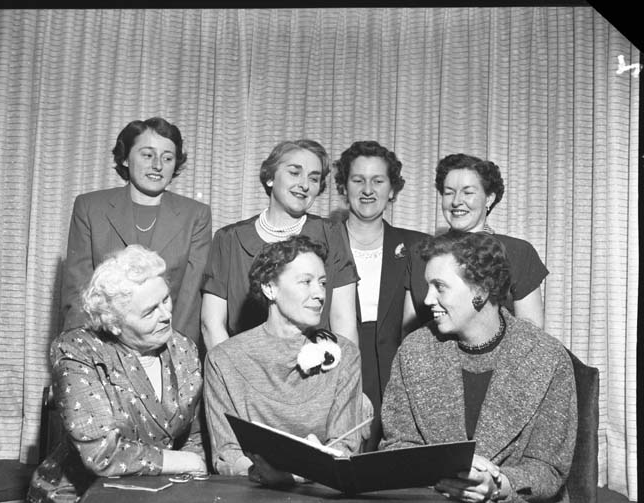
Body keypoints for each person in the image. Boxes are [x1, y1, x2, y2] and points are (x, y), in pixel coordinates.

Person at [381, 230, 576, 503]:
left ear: (481, 291)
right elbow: (397, 445)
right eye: (427, 286)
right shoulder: (414, 351)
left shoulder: (547, 358)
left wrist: (497, 483)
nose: (427, 299)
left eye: (439, 287)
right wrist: (445, 472)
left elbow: (548, 471)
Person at [28, 245, 207, 503]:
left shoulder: (183, 348)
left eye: (165, 299)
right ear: (113, 324)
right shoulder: (77, 350)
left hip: (157, 492)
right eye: (150, 311)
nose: (166, 315)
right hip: (77, 499)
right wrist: (183, 462)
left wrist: (189, 483)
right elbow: (101, 452)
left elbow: (193, 435)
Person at [204, 235, 366, 486]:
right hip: (252, 495)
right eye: (306, 282)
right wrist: (261, 473)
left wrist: (310, 469)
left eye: (323, 283)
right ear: (270, 288)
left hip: (323, 495)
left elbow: (345, 446)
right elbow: (227, 453)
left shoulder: (344, 355)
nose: (319, 294)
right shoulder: (223, 360)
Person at [59, 117, 212, 344]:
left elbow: (189, 301)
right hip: (103, 345)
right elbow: (78, 293)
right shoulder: (90, 207)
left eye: (167, 158)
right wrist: (85, 352)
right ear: (125, 159)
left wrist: (175, 353)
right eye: (147, 155)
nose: (158, 165)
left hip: (166, 345)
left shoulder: (195, 215)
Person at [200, 139, 358, 351]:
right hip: (243, 362)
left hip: (316, 364)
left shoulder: (331, 234)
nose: (304, 185)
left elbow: (344, 323)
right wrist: (235, 369)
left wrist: (341, 369)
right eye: (294, 173)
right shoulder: (229, 238)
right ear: (270, 177)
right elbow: (211, 324)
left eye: (314, 178)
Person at [332, 141, 429, 451]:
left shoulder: (417, 246)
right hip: (335, 367)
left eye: (378, 181)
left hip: (396, 369)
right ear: (343, 186)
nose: (367, 190)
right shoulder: (322, 242)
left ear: (392, 189)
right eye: (358, 180)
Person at [402, 153, 548, 333]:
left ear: (489, 198)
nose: (456, 201)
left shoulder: (518, 252)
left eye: (468, 192)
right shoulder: (420, 254)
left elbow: (532, 331)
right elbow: (408, 331)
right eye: (449, 192)